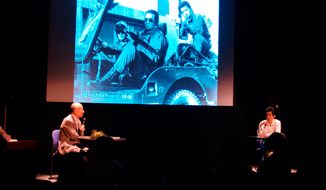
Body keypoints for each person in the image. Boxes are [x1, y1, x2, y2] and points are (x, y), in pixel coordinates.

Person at [88, 9, 168, 88]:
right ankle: (92, 83)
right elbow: (120, 48)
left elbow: (155, 59)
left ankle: (106, 80)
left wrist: (136, 43)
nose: (147, 22)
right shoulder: (143, 34)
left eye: (150, 20)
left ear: (156, 22)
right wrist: (104, 46)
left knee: (131, 48)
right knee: (103, 62)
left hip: (146, 74)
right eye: (145, 19)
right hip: (135, 70)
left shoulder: (158, 36)